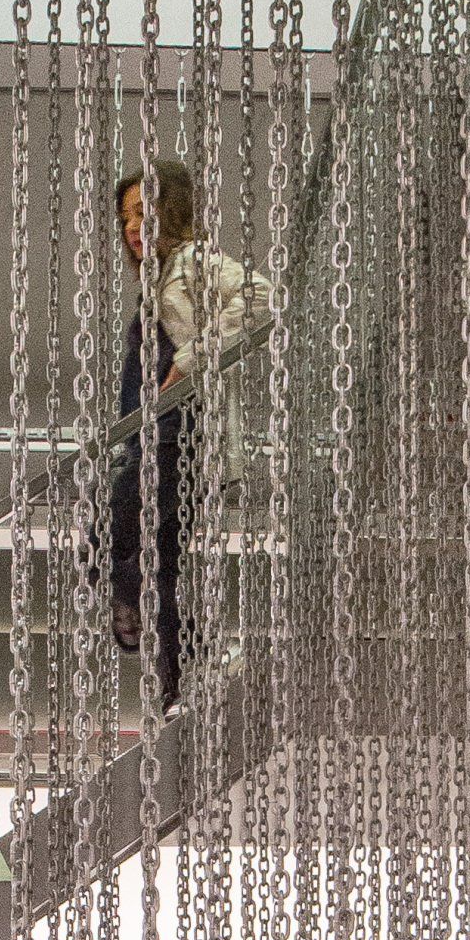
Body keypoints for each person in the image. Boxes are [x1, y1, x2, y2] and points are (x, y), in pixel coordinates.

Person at [110, 161, 270, 708]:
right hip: (150, 439)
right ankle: (185, 670)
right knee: (151, 563)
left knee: (116, 542)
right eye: (127, 218)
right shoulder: (155, 284)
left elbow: (261, 297)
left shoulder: (194, 261)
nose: (133, 227)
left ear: (171, 210)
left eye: (143, 212)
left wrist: (189, 361)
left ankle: (189, 657)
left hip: (181, 436)